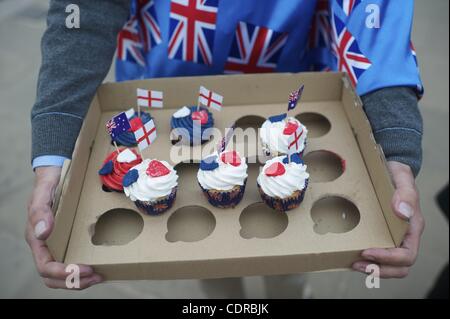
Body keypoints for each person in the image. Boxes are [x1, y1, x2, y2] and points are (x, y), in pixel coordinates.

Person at [27, 0, 425, 290]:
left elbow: (378, 21)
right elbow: (82, 13)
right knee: (205, 252)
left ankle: (288, 284)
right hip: (167, 84)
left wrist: (394, 141)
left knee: (288, 256)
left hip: (289, 74)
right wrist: (56, 131)